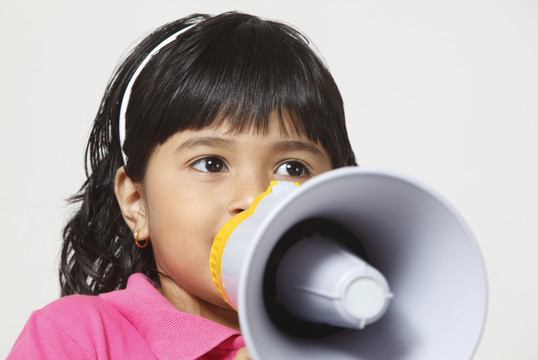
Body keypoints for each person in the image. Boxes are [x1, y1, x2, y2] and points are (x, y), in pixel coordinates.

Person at [8, 11, 357, 359]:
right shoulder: (79, 335)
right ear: (135, 203)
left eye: (292, 167)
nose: (255, 198)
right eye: (211, 164)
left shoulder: (356, 340)